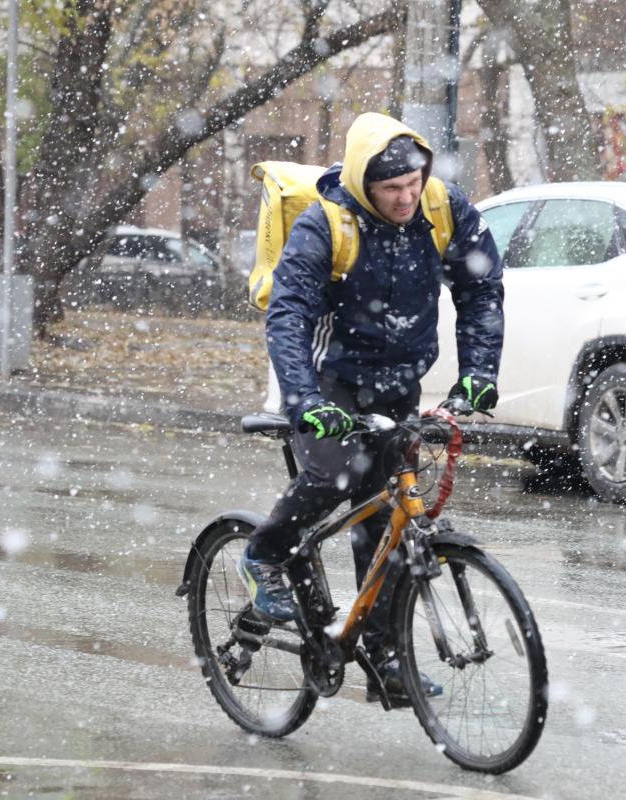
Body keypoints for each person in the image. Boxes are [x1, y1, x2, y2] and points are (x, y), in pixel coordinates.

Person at [239, 111, 504, 703]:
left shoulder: (443, 207)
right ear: (365, 185)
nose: (406, 197)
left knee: (386, 520)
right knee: (335, 474)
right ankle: (264, 555)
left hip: (397, 379)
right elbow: (289, 315)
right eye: (391, 188)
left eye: (413, 183)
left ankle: (386, 661)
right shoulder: (325, 225)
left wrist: (479, 373)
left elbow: (481, 287)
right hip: (325, 375)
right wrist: (306, 399)